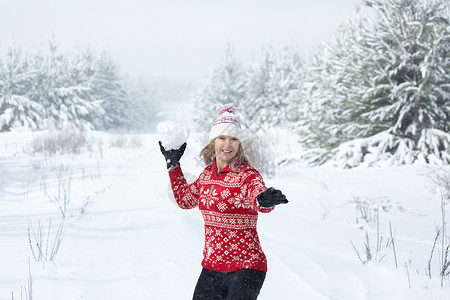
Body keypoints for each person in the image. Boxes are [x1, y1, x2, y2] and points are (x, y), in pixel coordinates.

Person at [159, 103, 288, 300]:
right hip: (212, 267)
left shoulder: (246, 174)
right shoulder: (206, 176)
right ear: (213, 141)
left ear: (239, 144)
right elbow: (185, 200)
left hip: (247, 266)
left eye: (233, 139)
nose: (227, 145)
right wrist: (173, 165)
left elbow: (256, 192)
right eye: (222, 138)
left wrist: (264, 200)